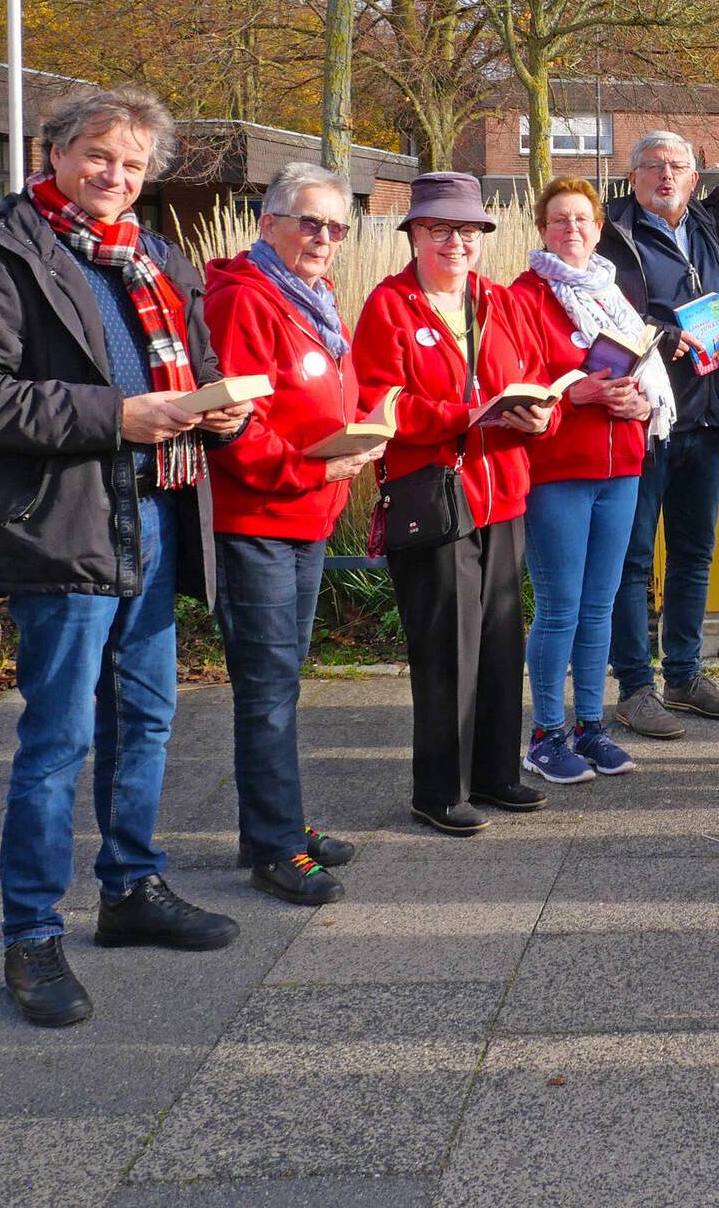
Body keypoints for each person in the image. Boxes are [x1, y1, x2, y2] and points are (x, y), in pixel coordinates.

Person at [0, 88, 254, 1027]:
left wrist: (219, 412)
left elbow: (187, 366)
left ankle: (129, 890)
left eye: (134, 165)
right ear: (56, 152)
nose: (116, 177)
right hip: (59, 527)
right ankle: (32, 935)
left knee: (146, 723)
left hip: (153, 517)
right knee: (58, 742)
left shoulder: (159, 258)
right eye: (99, 157)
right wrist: (114, 417)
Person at [350, 171, 554, 835]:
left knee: (499, 638)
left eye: (467, 231)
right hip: (433, 495)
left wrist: (541, 417)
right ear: (413, 233)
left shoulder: (500, 300)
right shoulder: (388, 305)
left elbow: (534, 380)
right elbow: (382, 404)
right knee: (445, 647)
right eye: (440, 230)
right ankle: (438, 790)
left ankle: (496, 772)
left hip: (505, 492)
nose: (456, 243)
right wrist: (464, 414)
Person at [203, 162, 380, 905]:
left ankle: (274, 822)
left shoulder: (311, 294)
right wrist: (314, 472)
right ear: (268, 220)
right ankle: (274, 847)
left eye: (337, 227)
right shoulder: (246, 299)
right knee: (269, 689)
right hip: (261, 520)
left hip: (308, 513)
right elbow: (235, 427)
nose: (325, 238)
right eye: (310, 222)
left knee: (283, 682)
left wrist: (364, 430)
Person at [599, 131, 719, 740]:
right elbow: (596, 313)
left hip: (706, 416)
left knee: (694, 555)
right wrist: (665, 337)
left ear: (695, 177)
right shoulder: (608, 234)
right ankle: (635, 688)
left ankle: (684, 675)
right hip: (643, 420)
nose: (665, 176)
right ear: (633, 175)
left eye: (677, 166)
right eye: (652, 166)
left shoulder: (715, 231)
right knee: (633, 560)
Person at [510, 177, 660, 783]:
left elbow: (644, 374)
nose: (572, 230)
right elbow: (518, 383)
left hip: (620, 465)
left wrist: (641, 405)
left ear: (599, 229)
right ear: (542, 230)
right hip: (559, 470)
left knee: (599, 607)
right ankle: (546, 733)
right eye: (559, 220)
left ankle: (590, 727)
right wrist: (580, 393)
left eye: (583, 220)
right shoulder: (523, 296)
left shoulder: (612, 293)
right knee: (559, 607)